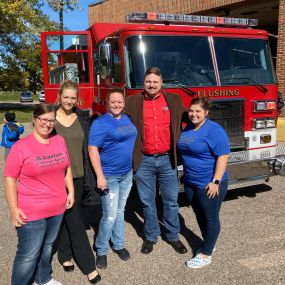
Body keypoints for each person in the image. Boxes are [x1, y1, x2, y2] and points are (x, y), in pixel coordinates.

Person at [4, 104, 74, 285]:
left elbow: (66, 167)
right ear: (35, 119)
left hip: (57, 208)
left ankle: (43, 278)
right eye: (44, 120)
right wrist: (13, 208)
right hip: (31, 212)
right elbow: (10, 178)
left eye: (51, 120)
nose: (48, 124)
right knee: (28, 255)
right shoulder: (21, 147)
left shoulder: (59, 140)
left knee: (47, 247)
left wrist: (71, 191)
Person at [125, 67, 188, 255]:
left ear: (161, 83)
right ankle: (151, 236)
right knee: (147, 201)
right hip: (144, 160)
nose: (151, 85)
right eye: (148, 81)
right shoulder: (132, 102)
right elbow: (116, 116)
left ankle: (173, 236)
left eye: (155, 82)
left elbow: (191, 117)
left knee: (171, 201)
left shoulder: (174, 100)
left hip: (168, 159)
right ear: (144, 83)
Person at [54, 80, 101, 284]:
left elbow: (88, 146)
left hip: (79, 177)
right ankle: (89, 266)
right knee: (73, 221)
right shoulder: (49, 117)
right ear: (59, 96)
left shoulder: (82, 118)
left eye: (73, 98)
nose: (69, 101)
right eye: (66, 97)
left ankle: (65, 255)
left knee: (72, 217)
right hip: (55, 178)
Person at [177, 97, 230, 268]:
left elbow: (223, 156)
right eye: (191, 110)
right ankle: (209, 243)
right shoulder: (187, 129)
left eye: (198, 111)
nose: (193, 114)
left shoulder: (214, 130)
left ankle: (206, 254)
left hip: (209, 183)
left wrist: (215, 181)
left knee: (211, 218)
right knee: (199, 215)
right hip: (191, 182)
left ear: (206, 113)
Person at [88, 88, 137, 269]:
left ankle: (118, 244)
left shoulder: (126, 119)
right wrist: (100, 176)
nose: (116, 105)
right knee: (109, 216)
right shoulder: (101, 123)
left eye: (119, 102)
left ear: (124, 103)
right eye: (113, 102)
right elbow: (93, 149)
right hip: (109, 175)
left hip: (126, 173)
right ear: (107, 103)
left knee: (120, 211)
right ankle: (101, 250)